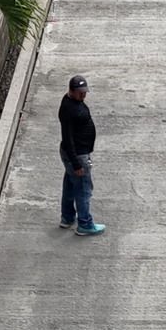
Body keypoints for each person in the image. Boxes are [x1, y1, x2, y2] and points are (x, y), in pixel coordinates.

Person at [58, 75, 105, 236]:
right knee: (84, 189)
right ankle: (85, 223)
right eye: (80, 93)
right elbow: (68, 137)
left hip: (73, 154)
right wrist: (77, 164)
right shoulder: (69, 109)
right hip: (78, 155)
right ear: (71, 91)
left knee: (70, 186)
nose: (83, 95)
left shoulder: (71, 102)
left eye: (85, 92)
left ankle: (67, 217)